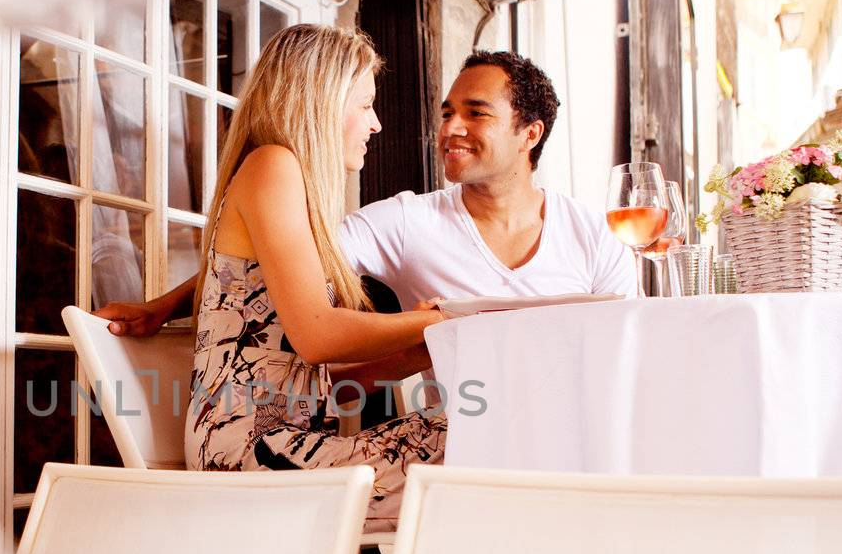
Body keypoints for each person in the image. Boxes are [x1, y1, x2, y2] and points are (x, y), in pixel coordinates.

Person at [96, 50, 633, 339]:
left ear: (529, 134)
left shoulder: (593, 236)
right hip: (469, 432)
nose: (450, 128)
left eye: (476, 113)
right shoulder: (407, 222)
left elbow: (628, 344)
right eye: (447, 113)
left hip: (567, 429)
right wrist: (164, 307)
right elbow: (282, 261)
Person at [185, 23, 447, 530]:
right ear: (323, 101)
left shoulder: (283, 180)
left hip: (284, 446)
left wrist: (420, 350)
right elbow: (318, 336)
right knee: (479, 450)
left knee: (473, 441)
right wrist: (436, 321)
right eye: (364, 104)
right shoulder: (272, 165)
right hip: (250, 457)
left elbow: (315, 387)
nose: (375, 125)